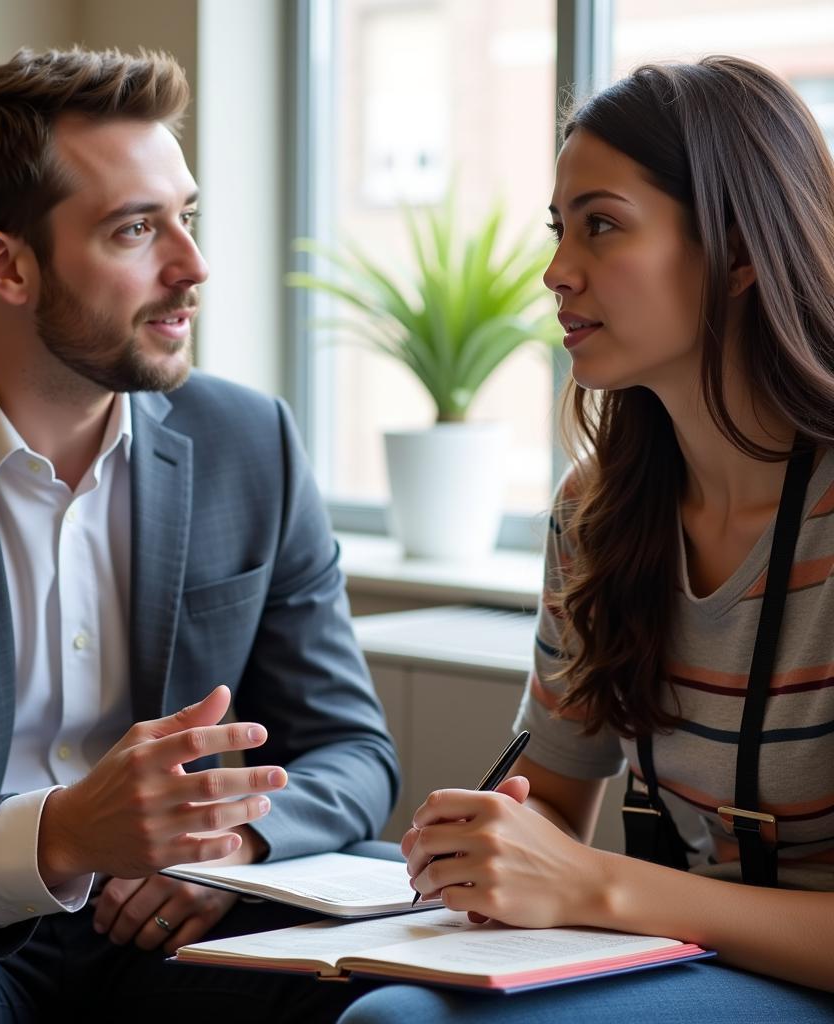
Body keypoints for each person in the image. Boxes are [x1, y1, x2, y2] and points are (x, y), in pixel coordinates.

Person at [0, 46, 398, 1022]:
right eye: (136, 229)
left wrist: (232, 847)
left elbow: (351, 750)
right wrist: (61, 835)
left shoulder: (253, 443)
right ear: (6, 263)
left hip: (181, 914)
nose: (193, 266)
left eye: (188, 218)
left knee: (395, 967)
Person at [339, 56, 834, 1023]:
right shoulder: (597, 512)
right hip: (683, 955)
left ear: (737, 251)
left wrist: (600, 887)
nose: (557, 270)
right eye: (560, 229)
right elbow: (557, 802)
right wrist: (496, 847)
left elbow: (595, 875)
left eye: (601, 225)